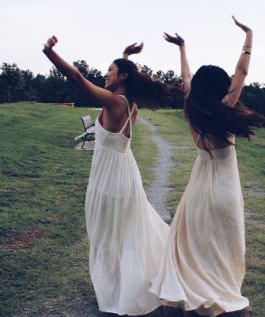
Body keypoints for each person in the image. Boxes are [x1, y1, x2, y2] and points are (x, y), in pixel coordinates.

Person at [43, 37, 175, 315]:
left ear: (123, 76)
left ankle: (117, 290)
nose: (105, 74)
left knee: (106, 235)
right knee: (120, 234)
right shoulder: (129, 103)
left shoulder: (115, 103)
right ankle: (120, 283)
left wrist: (50, 53)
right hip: (123, 175)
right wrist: (125, 54)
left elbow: (78, 78)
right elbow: (122, 74)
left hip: (111, 179)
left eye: (110, 70)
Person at [149, 16, 265, 316]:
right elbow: (242, 69)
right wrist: (249, 36)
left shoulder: (191, 107)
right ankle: (220, 291)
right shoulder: (225, 108)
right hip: (225, 187)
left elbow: (186, 78)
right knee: (224, 243)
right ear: (221, 88)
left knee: (198, 243)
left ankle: (195, 291)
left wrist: (182, 48)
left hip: (201, 185)